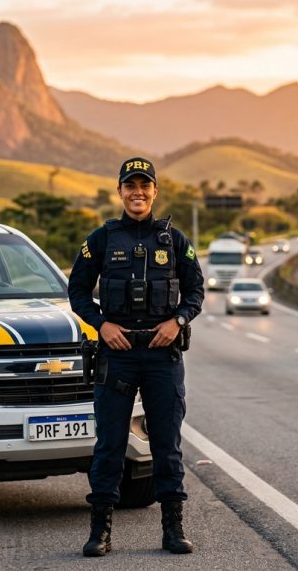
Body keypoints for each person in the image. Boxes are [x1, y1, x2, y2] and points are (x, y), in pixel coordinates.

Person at [68, 157, 205, 557]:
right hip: (118, 354)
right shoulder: (101, 239)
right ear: (120, 191)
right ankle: (100, 531)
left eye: (145, 185)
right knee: (110, 445)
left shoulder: (175, 240)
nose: (138, 192)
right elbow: (77, 291)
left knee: (166, 444)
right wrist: (101, 325)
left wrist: (178, 321)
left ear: (155, 191)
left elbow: (196, 292)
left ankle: (173, 529)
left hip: (162, 355)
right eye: (131, 186)